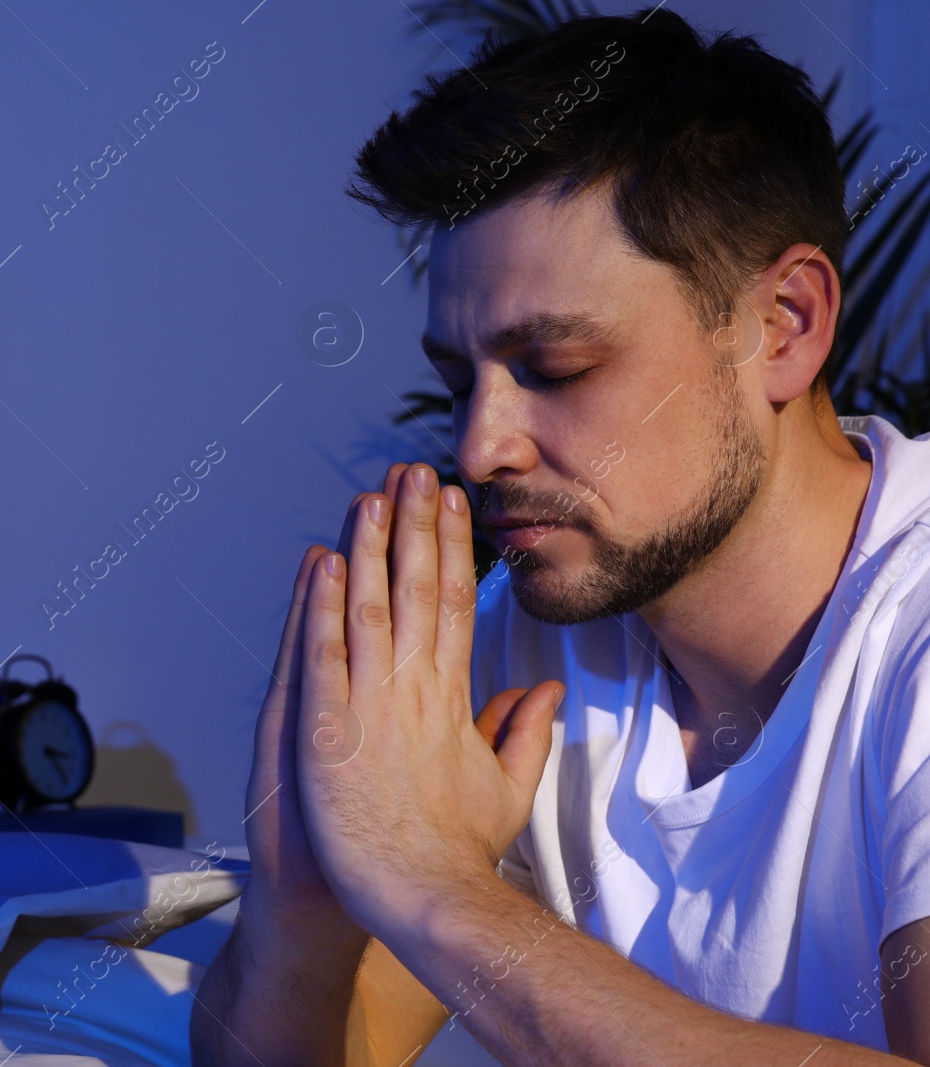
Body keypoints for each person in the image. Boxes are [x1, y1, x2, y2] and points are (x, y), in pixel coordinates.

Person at [192, 8, 930, 1064]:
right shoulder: (523, 645)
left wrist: (434, 885)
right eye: (459, 381)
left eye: (554, 367)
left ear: (784, 326)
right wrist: (301, 902)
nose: (477, 444)